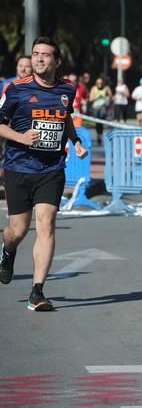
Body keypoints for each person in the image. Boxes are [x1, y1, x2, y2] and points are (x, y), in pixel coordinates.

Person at [0, 36, 88, 311]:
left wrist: (75, 141)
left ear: (56, 61)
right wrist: (21, 137)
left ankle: (37, 292)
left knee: (46, 222)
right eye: (36, 54)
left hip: (51, 169)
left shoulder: (67, 89)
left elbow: (65, 118)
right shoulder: (17, 89)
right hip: (18, 167)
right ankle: (8, 250)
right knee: (18, 230)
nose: (39, 59)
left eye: (45, 55)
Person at [0, 56, 33, 163]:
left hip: (25, 129)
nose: (23, 69)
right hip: (4, 127)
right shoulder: (5, 84)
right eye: (20, 66)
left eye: (27, 66)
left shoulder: (36, 86)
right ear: (16, 67)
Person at [88, 76, 113, 145]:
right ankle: (98, 135)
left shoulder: (106, 88)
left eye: (101, 83)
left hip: (103, 107)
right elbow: (90, 99)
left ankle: (100, 135)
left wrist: (107, 98)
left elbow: (111, 97)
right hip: (96, 107)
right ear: (96, 83)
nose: (100, 84)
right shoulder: (94, 88)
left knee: (101, 120)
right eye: (98, 83)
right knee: (97, 123)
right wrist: (96, 97)